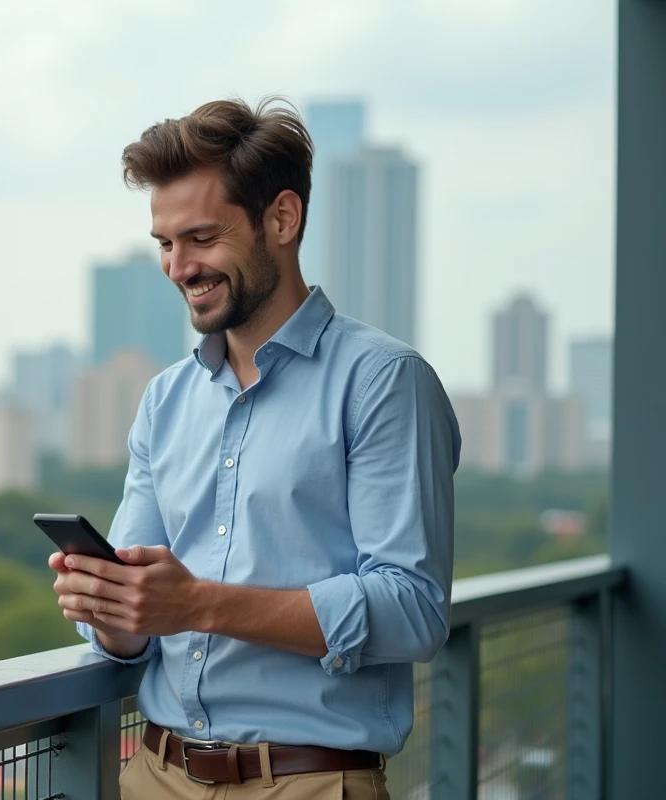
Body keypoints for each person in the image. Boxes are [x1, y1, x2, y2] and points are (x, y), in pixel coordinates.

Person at [49, 97, 460, 799]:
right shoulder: (164, 401)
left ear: (282, 219)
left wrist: (198, 605)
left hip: (308, 784)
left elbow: (414, 609)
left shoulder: (385, 382)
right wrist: (110, 606)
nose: (179, 266)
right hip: (154, 776)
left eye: (201, 237)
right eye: (165, 243)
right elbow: (136, 629)